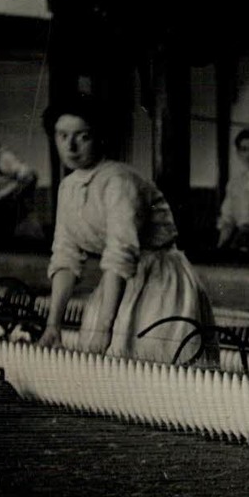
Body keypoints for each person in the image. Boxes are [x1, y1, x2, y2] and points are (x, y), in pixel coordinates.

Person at [37, 98, 219, 364]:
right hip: (117, 283)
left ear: (100, 138)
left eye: (82, 136)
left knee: (156, 361)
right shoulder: (68, 187)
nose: (71, 146)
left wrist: (104, 327)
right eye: (62, 136)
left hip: (159, 283)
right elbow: (65, 256)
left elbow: (120, 254)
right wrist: (53, 325)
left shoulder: (119, 181)